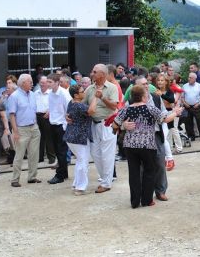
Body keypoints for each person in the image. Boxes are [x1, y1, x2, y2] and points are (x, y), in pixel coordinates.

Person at [114, 84, 174, 208]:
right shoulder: (150, 108)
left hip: (130, 145)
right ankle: (147, 200)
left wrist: (123, 125)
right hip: (147, 145)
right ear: (143, 96)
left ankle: (135, 201)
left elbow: (114, 125)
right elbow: (166, 119)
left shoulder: (126, 109)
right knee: (149, 171)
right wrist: (176, 112)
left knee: (134, 173)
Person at [83, 64, 119, 193]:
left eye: (94, 72)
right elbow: (83, 105)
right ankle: (105, 179)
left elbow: (114, 106)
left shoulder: (112, 88)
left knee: (107, 155)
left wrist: (102, 97)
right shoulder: (89, 89)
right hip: (93, 124)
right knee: (96, 154)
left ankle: (106, 183)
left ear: (102, 74)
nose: (91, 73)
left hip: (107, 125)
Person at [8, 73, 41, 188]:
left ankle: (32, 177)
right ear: (22, 83)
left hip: (34, 127)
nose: (32, 84)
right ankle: (15, 179)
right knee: (19, 155)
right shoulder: (14, 96)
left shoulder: (32, 94)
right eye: (30, 82)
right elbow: (12, 115)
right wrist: (15, 132)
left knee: (34, 154)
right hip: (21, 129)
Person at [64, 84, 93, 195]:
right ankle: (80, 187)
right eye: (82, 91)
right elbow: (91, 110)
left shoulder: (71, 103)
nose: (84, 92)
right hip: (79, 137)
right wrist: (96, 97)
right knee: (83, 162)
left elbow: (68, 115)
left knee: (80, 161)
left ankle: (77, 184)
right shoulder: (79, 105)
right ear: (76, 95)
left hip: (71, 137)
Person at [47, 73, 70, 184]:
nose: (48, 84)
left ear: (57, 82)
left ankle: (60, 175)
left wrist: (64, 126)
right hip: (53, 124)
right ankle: (64, 173)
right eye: (47, 81)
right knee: (58, 151)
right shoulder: (50, 94)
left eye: (50, 82)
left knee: (61, 151)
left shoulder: (64, 94)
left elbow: (68, 110)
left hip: (61, 126)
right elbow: (52, 109)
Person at [34, 75, 56, 166]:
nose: (42, 84)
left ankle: (51, 158)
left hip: (47, 116)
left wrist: (50, 111)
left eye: (44, 83)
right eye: (41, 82)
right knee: (38, 137)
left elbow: (55, 105)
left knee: (49, 138)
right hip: (37, 116)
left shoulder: (51, 93)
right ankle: (40, 157)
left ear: (47, 83)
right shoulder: (35, 93)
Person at [181, 72, 200, 142]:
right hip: (187, 106)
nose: (188, 79)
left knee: (199, 121)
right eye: (188, 77)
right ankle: (191, 136)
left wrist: (199, 104)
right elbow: (182, 97)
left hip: (196, 106)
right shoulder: (185, 86)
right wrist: (184, 103)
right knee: (188, 122)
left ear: (194, 79)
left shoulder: (199, 86)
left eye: (190, 78)